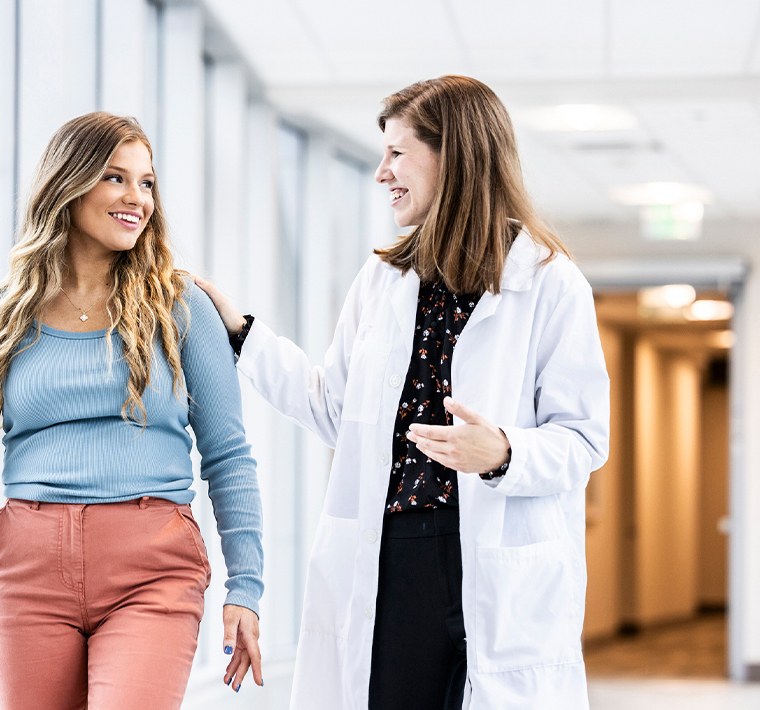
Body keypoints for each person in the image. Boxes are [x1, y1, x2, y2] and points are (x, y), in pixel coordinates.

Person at [197, 75, 610, 710]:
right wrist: (241, 335)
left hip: (493, 554)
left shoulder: (551, 284)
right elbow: (336, 412)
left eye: (397, 152)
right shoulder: (382, 280)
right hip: (393, 556)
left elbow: (583, 438)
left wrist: (501, 453)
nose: (381, 171)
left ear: (457, 154)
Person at [0, 112, 264, 709]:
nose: (137, 198)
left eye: (147, 182)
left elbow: (229, 457)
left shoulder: (182, 308)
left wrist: (245, 588)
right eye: (115, 178)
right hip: (27, 572)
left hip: (152, 570)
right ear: (68, 185)